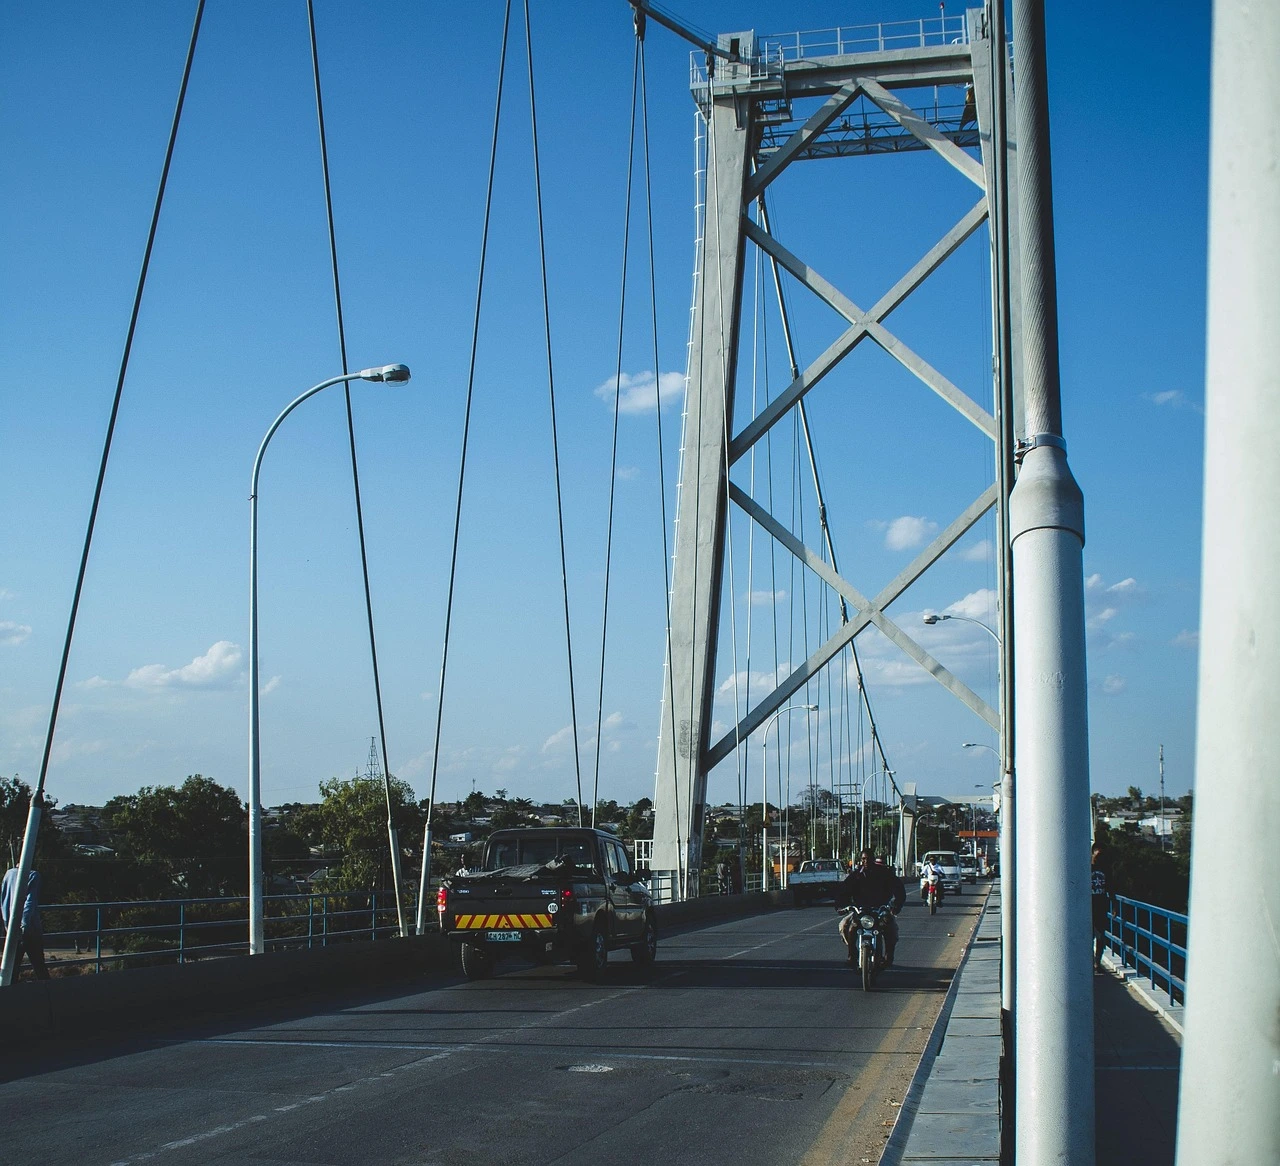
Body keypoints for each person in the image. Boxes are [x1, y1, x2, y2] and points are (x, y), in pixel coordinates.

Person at [835, 848, 906, 965]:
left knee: (891, 928)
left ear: (873, 859)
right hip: (860, 910)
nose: (866, 861)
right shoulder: (856, 875)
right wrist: (841, 906)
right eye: (863, 859)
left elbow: (898, 889)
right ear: (861, 860)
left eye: (868, 859)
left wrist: (896, 905)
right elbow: (843, 891)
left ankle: (889, 955)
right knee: (845, 926)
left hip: (880, 910)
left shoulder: (884, 873)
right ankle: (852, 953)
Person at [1, 866, 50, 981]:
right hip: (30, 929)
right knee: (39, 966)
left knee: (12, 968)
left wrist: (7, 924)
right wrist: (24, 925)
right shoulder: (33, 875)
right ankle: (47, 990)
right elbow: (30, 902)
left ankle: (10, 990)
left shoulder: (9, 874)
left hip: (11, 928)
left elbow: (3, 900)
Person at [1091, 843, 1110, 973]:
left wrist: (1114, 905)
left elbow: (1111, 887)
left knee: (1100, 937)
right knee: (1089, 937)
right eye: (1097, 855)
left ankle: (1097, 962)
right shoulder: (1086, 869)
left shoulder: (1105, 869)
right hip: (1088, 908)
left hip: (1101, 907)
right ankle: (1090, 961)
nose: (1099, 858)